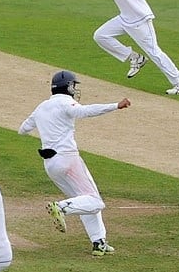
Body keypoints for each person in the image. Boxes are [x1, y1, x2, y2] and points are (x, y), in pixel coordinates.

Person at [18, 70, 130, 256]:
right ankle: (60, 207)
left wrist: (47, 129)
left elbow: (23, 129)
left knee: (83, 201)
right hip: (68, 159)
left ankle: (99, 242)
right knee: (95, 201)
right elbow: (84, 111)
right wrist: (115, 106)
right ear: (68, 86)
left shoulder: (41, 107)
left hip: (50, 165)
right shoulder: (65, 103)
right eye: (74, 86)